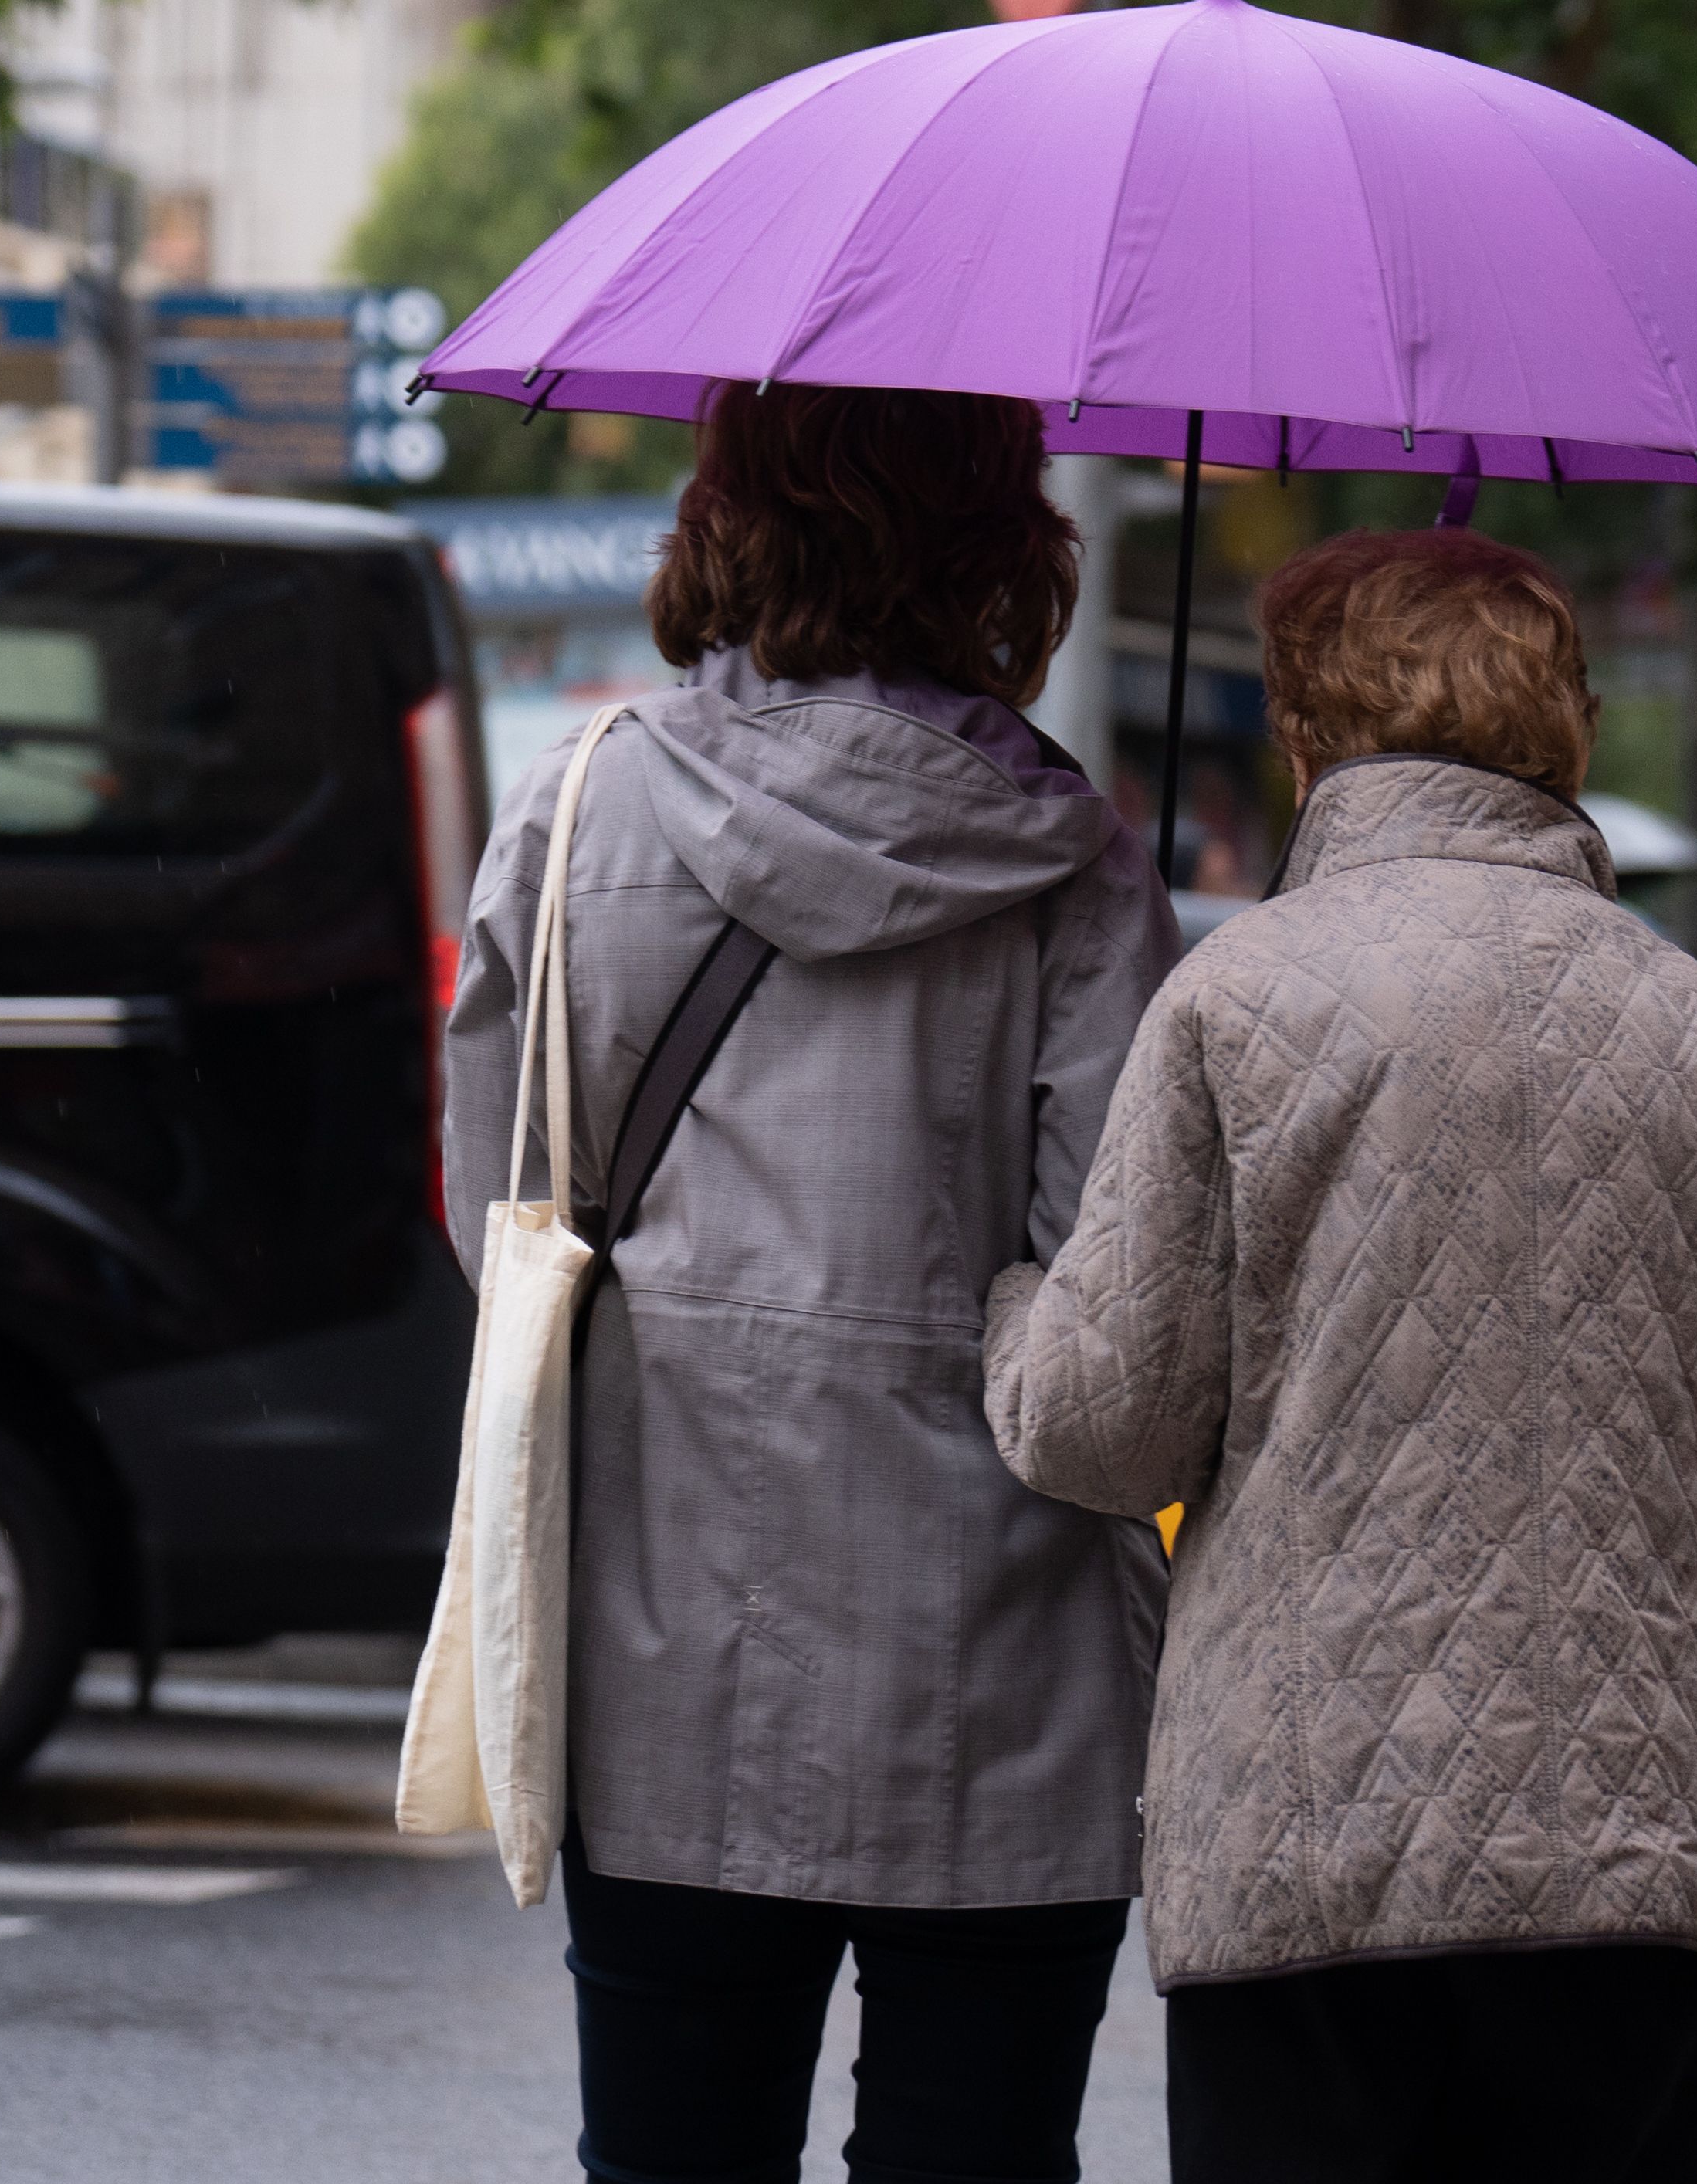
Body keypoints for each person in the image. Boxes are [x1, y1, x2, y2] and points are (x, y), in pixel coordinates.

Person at [978, 529, 1697, 2184]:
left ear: (1306, 737)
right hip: (1640, 1860)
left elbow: (1104, 1429)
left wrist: (1009, 1310)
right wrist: (1684, 1655)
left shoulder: (1230, 999)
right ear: (1570, 734)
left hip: (1305, 1839)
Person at [435, 381, 1175, 2184]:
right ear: (1003, 545)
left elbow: (502, 1219)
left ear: (725, 515)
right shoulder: (1074, 868)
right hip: (1006, 1674)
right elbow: (1116, 1289)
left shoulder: (581, 805)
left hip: (659, 1626)